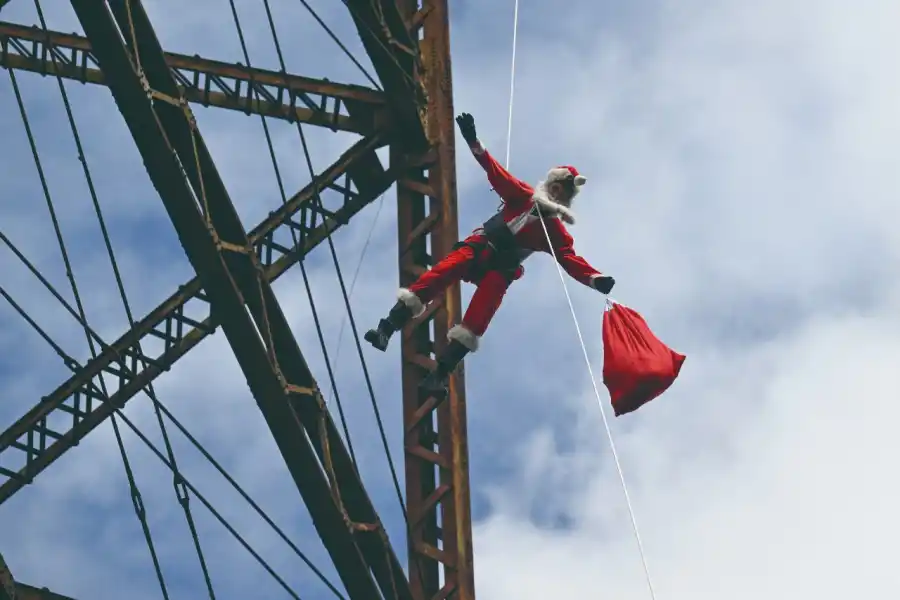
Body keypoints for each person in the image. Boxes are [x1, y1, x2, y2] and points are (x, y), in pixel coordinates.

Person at [364, 112, 615, 400]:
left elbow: (570, 260)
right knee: (441, 273)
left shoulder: (555, 232)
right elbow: (495, 171)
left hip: (502, 268)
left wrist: (596, 279)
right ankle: (387, 326)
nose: (558, 196)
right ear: (550, 186)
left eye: (563, 194)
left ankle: (440, 374)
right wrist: (473, 140)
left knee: (480, 315)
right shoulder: (521, 196)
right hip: (481, 247)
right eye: (557, 189)